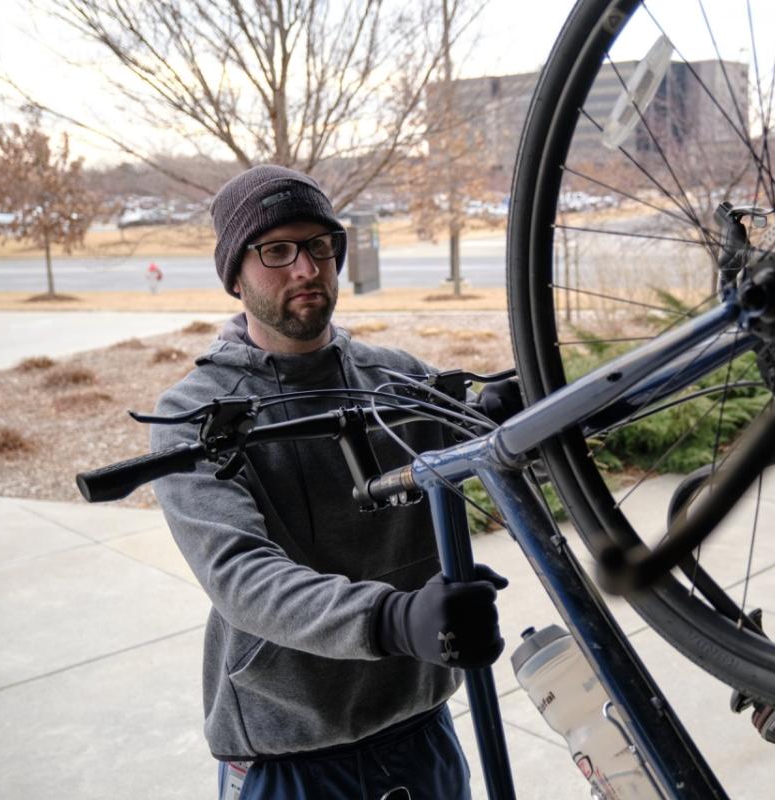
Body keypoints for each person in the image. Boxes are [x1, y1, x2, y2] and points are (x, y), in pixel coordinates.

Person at [150, 165, 523, 799]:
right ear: (235, 274)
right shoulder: (197, 415)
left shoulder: (398, 382)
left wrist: (517, 424)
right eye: (277, 251)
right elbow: (242, 576)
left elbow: (505, 462)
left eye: (321, 246)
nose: (306, 269)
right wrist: (395, 619)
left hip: (420, 732)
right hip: (290, 756)